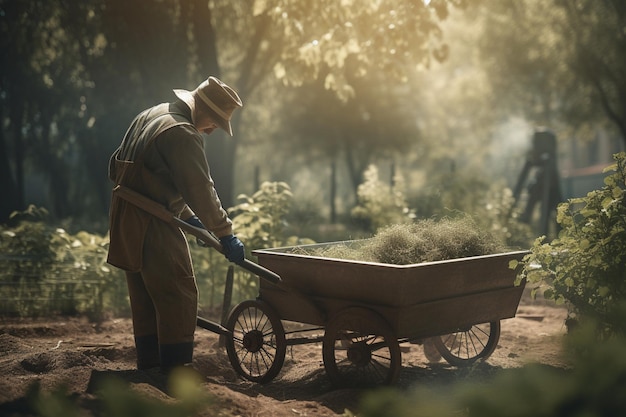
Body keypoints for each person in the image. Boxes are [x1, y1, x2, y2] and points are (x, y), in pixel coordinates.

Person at [106, 76, 246, 374]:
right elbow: (200, 189)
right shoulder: (183, 133)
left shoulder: (153, 114)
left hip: (125, 218)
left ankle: (150, 368)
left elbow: (129, 170)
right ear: (202, 109)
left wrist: (188, 217)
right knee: (178, 294)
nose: (210, 131)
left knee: (145, 298)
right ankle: (174, 374)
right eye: (214, 123)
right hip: (153, 223)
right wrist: (225, 233)